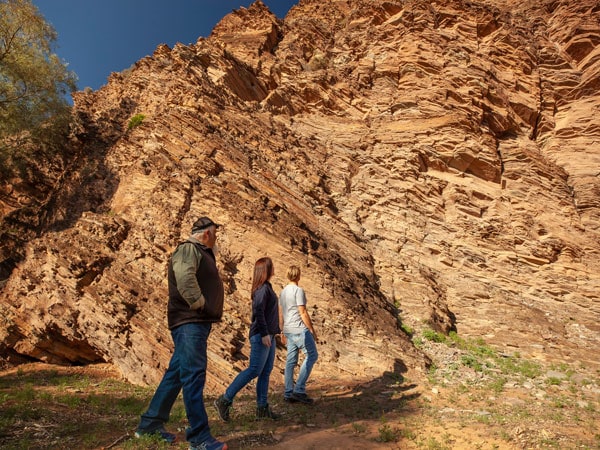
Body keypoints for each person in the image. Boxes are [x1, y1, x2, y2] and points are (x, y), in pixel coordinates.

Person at [135, 217, 228, 450]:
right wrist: (201, 304)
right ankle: (199, 439)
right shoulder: (188, 249)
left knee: (176, 374)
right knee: (193, 377)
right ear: (206, 233)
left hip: (194, 323)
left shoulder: (201, 252)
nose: (217, 238)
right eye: (215, 233)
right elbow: (184, 278)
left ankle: (150, 424)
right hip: (189, 323)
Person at [214, 257, 281, 422]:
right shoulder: (263, 289)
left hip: (268, 335)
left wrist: (274, 332)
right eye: (272, 266)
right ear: (266, 270)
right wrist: (265, 333)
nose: (274, 269)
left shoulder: (266, 287)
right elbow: (258, 310)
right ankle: (224, 400)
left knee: (265, 372)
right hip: (261, 335)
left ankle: (262, 408)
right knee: (254, 370)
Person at [279, 265, 318, 404]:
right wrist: (312, 330)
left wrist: (282, 331)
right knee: (312, 355)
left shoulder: (283, 292)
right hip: (299, 330)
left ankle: (288, 393)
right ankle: (299, 390)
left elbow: (281, 313)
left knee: (290, 361)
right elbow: (302, 312)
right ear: (298, 275)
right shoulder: (298, 290)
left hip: (288, 330)